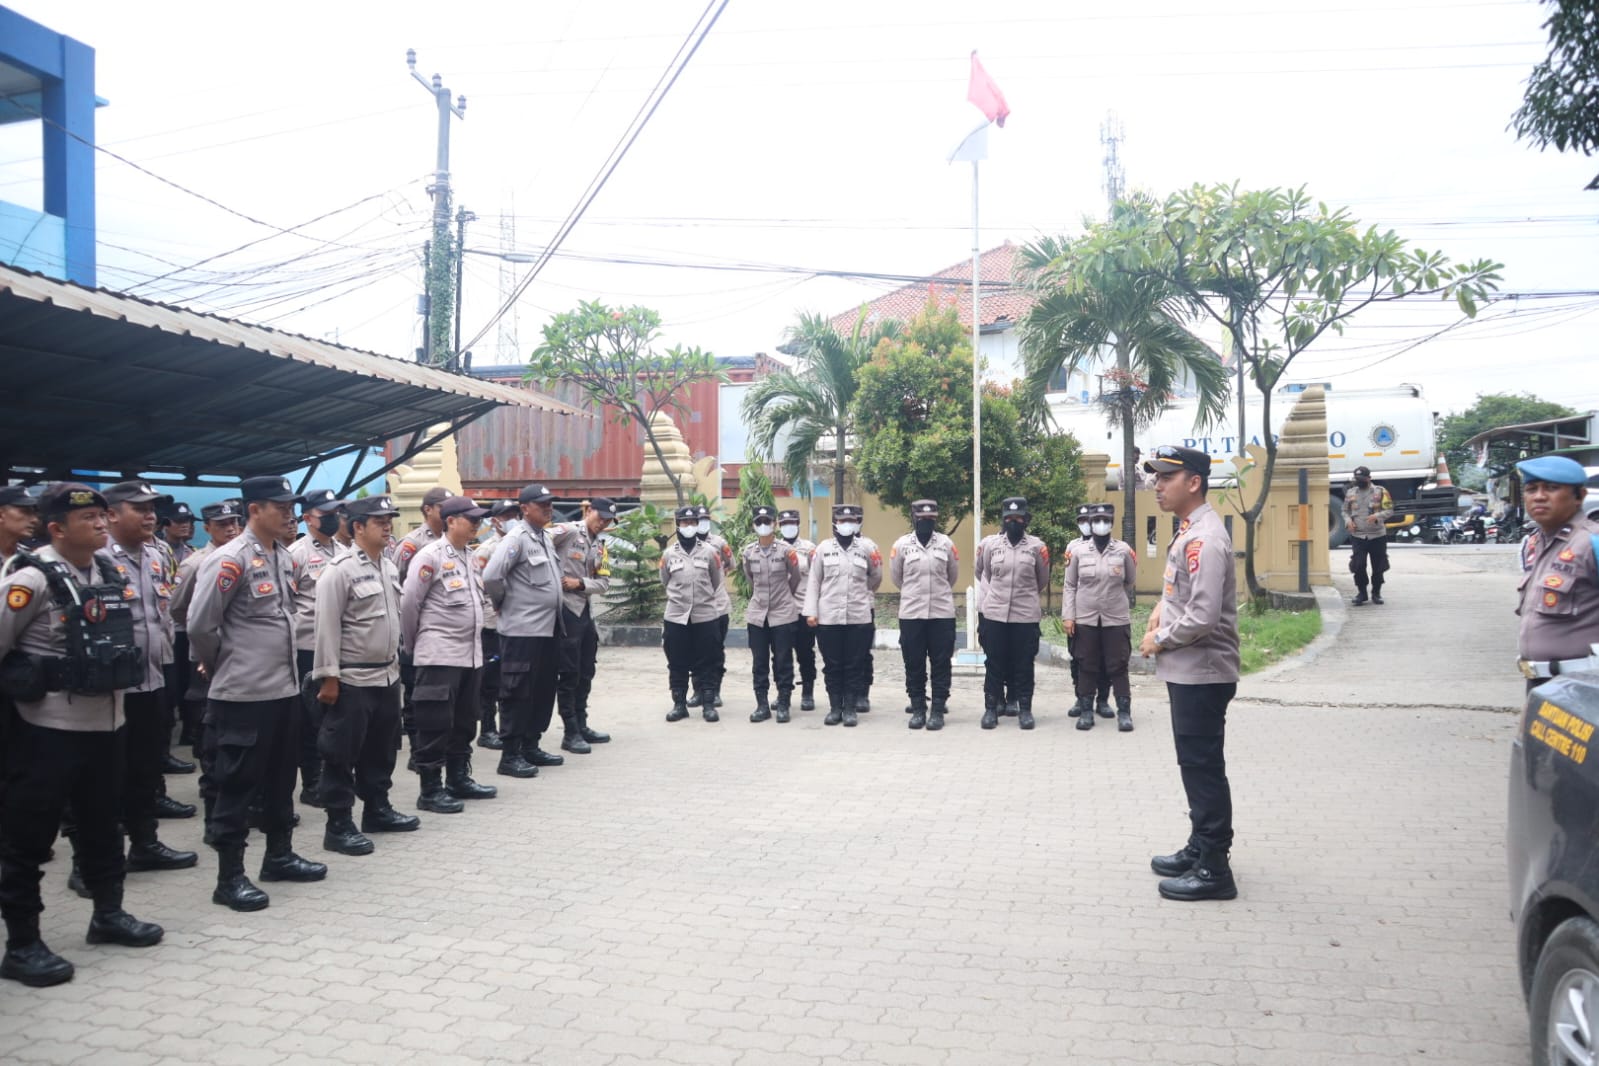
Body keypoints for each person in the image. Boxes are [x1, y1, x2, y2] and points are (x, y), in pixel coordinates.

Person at [0, 483, 163, 987]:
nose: (100, 523)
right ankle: (23, 943)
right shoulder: (31, 578)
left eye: (101, 515)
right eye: (88, 517)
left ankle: (108, 914)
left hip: (106, 724)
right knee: (28, 838)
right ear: (56, 528)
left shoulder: (107, 571)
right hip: (46, 731)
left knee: (102, 825)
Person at [188, 476, 328, 911]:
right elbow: (200, 625)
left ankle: (279, 856)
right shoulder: (230, 559)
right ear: (254, 510)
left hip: (283, 690)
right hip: (243, 695)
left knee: (281, 779)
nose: (289, 514)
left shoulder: (282, 556)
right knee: (236, 785)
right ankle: (229, 877)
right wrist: (220, 664)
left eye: (291, 507)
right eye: (279, 507)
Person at [1140, 445, 1241, 902]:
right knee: (1195, 764)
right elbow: (1185, 592)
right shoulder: (1190, 531)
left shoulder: (1205, 539)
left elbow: (1203, 616)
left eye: (1166, 478)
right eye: (1156, 477)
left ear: (1194, 482)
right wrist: (1161, 608)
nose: (1157, 486)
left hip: (1203, 670)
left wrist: (1158, 640)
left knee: (1203, 769)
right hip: (1190, 672)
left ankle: (1215, 868)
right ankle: (1200, 846)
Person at [98, 481, 198, 876]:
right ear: (111, 514)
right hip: (109, 689)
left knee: (145, 769)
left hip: (153, 679)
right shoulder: (96, 558)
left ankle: (145, 844)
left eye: (152, 508)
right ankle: (91, 861)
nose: (150, 515)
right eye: (139, 508)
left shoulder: (157, 556)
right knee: (102, 776)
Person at [312, 494, 418, 855]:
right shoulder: (339, 570)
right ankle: (338, 824)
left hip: (386, 676)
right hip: (352, 679)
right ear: (358, 527)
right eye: (379, 522)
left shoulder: (387, 566)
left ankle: (377, 809)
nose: (387, 527)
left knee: (381, 750)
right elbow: (326, 628)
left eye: (389, 521)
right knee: (340, 753)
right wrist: (329, 678)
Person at [401, 495, 498, 814]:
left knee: (465, 721)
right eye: (472, 519)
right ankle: (430, 789)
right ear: (451, 520)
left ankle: (458, 779)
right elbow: (409, 604)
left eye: (479, 519)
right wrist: (416, 647)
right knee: (435, 723)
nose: (477, 524)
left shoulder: (470, 556)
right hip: (439, 655)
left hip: (471, 655)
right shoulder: (429, 556)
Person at [482, 484, 565, 776]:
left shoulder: (544, 538)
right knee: (517, 692)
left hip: (548, 629)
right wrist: (503, 603)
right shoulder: (516, 538)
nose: (548, 508)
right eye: (542, 504)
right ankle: (510, 755)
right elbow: (491, 576)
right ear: (525, 509)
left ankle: (531, 745)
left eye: (550, 504)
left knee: (542, 691)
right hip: (522, 631)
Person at [1513, 454, 1599, 688]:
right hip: (1540, 683)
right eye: (1531, 489)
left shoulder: (1592, 542)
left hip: (1583, 685)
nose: (1539, 496)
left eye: (1551, 488)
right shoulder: (1536, 544)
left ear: (1579, 496)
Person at [287, 489, 348, 808]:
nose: (333, 518)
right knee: (310, 719)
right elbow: (286, 603)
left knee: (335, 718)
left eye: (336, 512)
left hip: (339, 647)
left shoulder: (343, 551)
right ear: (308, 517)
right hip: (308, 647)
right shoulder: (295, 554)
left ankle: (331, 777)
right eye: (326, 513)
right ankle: (311, 782)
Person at [974, 498, 1050, 731]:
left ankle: (1024, 710)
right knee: (994, 662)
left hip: (1025, 615)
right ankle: (991, 709)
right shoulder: (991, 545)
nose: (1013, 522)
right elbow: (983, 573)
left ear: (1026, 519)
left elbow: (1042, 579)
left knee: (1024, 663)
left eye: (1018, 518)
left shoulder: (1037, 547)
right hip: (995, 614)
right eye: (1009, 518)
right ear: (1003, 520)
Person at [803, 504, 882, 728]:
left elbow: (875, 577)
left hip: (858, 616)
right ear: (835, 524)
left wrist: (861, 594)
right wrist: (811, 612)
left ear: (857, 523)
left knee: (854, 665)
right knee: (832, 665)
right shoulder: (823, 548)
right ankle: (835, 708)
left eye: (851, 521)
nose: (847, 524)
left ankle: (850, 709)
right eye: (842, 521)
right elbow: (814, 581)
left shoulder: (866, 548)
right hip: (829, 617)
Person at [1063, 502, 1138, 733]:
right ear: (1091, 523)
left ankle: (1124, 713)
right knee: (1087, 664)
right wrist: (1069, 616)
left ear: (1112, 523)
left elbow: (1130, 580)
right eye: (1096, 520)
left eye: (1105, 520)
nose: (1101, 524)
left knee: (1118, 665)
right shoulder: (1078, 551)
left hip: (1115, 617)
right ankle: (1086, 711)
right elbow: (1070, 585)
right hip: (1086, 618)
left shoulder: (1123, 550)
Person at [550, 498, 616, 753]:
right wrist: (555, 580)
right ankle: (570, 732)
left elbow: (604, 583)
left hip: (584, 611)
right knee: (569, 673)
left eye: (608, 521)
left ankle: (582, 723)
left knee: (586, 670)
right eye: (600, 517)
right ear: (588, 511)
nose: (603, 523)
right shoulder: (566, 532)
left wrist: (579, 584)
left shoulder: (601, 545)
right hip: (564, 609)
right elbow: (538, 548)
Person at [891, 500, 959, 731]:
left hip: (941, 613)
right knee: (914, 663)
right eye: (922, 518)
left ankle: (937, 710)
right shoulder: (901, 545)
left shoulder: (946, 544)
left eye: (930, 518)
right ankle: (918, 709)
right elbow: (897, 578)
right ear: (914, 518)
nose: (926, 522)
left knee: (941, 663)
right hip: (912, 614)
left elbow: (952, 576)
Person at [660, 506, 725, 722]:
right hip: (676, 617)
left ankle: (708, 705)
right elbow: (665, 580)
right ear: (678, 524)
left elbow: (716, 580)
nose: (689, 526)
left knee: (707, 661)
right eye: (685, 523)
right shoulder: (668, 554)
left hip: (705, 616)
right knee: (676, 662)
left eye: (693, 523)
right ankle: (679, 704)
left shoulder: (710, 552)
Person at [740, 505, 803, 723]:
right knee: (759, 662)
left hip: (782, 613)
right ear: (753, 525)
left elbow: (795, 578)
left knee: (783, 660)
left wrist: (784, 597)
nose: (763, 525)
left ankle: (783, 703)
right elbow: (751, 579)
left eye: (767, 521)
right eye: (759, 522)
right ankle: (762, 706)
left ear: (774, 524)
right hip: (758, 615)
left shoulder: (786, 551)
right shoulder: (748, 552)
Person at [472, 500, 517, 750]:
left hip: (514, 622)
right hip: (491, 623)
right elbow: (480, 588)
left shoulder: (519, 545)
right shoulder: (486, 550)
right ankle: (487, 729)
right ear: (495, 520)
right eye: (506, 516)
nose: (511, 520)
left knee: (509, 679)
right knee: (490, 680)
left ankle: (505, 727)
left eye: (514, 515)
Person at [686, 504, 732, 710]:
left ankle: (714, 691)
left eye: (706, 519)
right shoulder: (686, 545)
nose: (702, 523)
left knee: (715, 651)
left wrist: (718, 576)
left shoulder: (719, 543)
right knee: (695, 651)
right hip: (694, 608)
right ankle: (698, 691)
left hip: (718, 606)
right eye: (699, 519)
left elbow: (731, 564)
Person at [778, 509, 819, 711]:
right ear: (779, 526)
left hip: (803, 608)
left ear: (798, 524)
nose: (789, 526)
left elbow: (817, 578)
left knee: (805, 653)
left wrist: (814, 608)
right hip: (780, 610)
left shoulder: (809, 549)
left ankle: (807, 692)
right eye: (784, 523)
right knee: (781, 655)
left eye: (792, 522)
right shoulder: (775, 548)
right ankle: (782, 693)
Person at [1342, 465, 1393, 606]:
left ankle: (1376, 593)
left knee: (1378, 566)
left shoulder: (1381, 491)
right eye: (1356, 478)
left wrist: (1377, 516)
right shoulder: (1351, 492)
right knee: (1358, 565)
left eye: (1361, 478)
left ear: (1369, 478)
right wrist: (1348, 521)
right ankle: (1362, 593)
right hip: (1358, 535)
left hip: (1377, 535)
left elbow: (1389, 510)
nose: (1359, 481)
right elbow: (1345, 511)